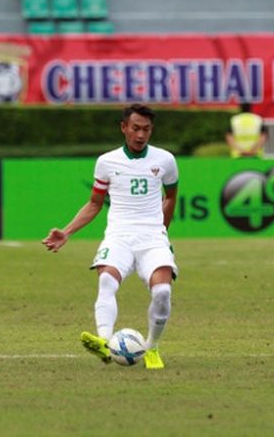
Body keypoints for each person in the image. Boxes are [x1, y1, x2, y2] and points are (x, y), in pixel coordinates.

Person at [42, 104, 178, 370]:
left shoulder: (165, 160)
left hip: (152, 238)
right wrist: (66, 232)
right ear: (124, 127)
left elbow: (170, 197)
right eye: (136, 128)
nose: (141, 135)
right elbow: (94, 204)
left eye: (147, 129)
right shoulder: (106, 162)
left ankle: (152, 347)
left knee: (162, 292)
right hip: (118, 236)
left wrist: (162, 232)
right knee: (106, 280)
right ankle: (104, 341)